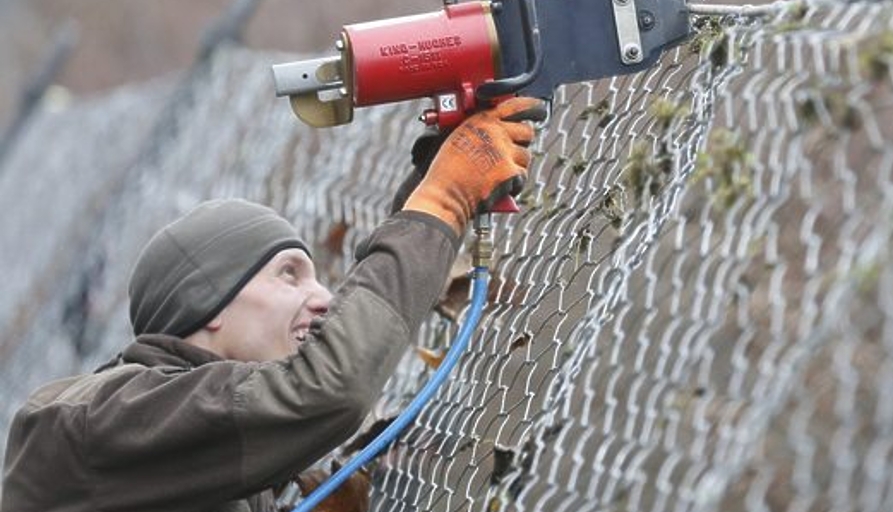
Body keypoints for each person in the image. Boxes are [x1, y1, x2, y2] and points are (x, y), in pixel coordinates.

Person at [0, 96, 547, 512]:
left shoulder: (197, 446)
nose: (324, 298)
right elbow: (326, 388)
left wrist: (428, 192)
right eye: (289, 275)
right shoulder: (94, 420)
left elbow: (332, 365)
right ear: (208, 301)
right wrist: (442, 201)